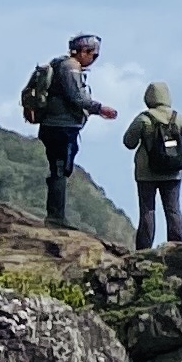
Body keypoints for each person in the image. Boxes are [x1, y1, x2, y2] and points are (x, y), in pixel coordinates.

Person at [25, 33, 116, 229]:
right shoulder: (70, 68)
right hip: (62, 128)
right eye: (94, 55)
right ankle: (56, 217)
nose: (93, 60)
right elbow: (76, 97)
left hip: (53, 125)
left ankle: (56, 215)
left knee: (58, 170)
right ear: (84, 51)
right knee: (60, 170)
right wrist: (100, 109)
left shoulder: (59, 65)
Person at [120, 81, 182, 250]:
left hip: (147, 172)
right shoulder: (178, 118)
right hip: (173, 171)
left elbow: (129, 142)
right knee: (173, 210)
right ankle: (178, 248)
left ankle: (143, 249)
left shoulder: (144, 118)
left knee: (147, 210)